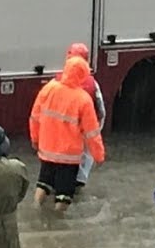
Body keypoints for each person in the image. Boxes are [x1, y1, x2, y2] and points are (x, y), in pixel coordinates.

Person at [30, 54, 105, 212]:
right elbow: (92, 132)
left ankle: (35, 210)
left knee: (43, 183)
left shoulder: (48, 89)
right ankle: (56, 223)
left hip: (47, 150)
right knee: (64, 195)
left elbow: (35, 117)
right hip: (68, 156)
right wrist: (98, 155)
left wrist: (35, 139)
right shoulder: (83, 99)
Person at [61, 43, 106, 193]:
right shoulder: (92, 84)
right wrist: (97, 151)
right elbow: (101, 113)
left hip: (63, 139)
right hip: (84, 136)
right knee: (78, 181)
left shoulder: (56, 83)